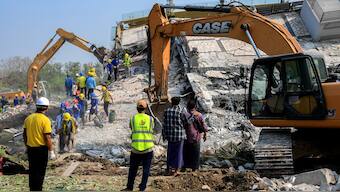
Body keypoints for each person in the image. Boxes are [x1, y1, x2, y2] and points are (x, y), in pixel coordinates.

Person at [23, 97, 55, 191]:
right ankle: (38, 189)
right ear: (46, 108)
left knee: (32, 171)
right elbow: (47, 137)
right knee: (40, 172)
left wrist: (27, 146)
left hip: (30, 149)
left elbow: (24, 134)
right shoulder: (45, 120)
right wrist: (51, 151)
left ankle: (32, 189)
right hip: (41, 150)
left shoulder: (28, 118)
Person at [124, 99, 155, 191]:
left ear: (137, 108)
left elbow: (131, 128)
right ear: (146, 108)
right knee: (146, 170)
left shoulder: (133, 118)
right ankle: (142, 187)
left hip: (136, 148)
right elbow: (152, 129)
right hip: (148, 148)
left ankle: (129, 187)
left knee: (133, 169)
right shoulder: (150, 119)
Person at [162, 96, 187, 176]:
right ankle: (176, 170)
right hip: (179, 135)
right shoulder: (181, 111)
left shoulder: (167, 111)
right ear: (178, 102)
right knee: (178, 152)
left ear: (171, 102)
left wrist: (164, 135)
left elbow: (164, 124)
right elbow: (185, 122)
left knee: (170, 152)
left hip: (170, 135)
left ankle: (168, 168)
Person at [183, 100, 208, 171]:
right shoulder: (199, 115)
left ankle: (185, 166)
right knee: (195, 152)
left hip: (186, 136)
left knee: (186, 152)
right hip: (196, 136)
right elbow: (203, 125)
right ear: (195, 107)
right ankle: (194, 168)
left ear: (187, 106)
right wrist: (205, 135)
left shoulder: (185, 114)